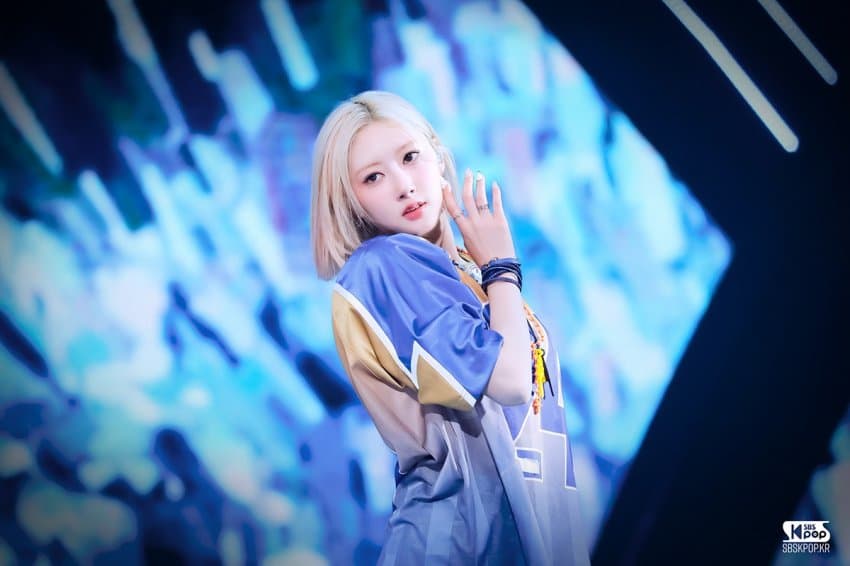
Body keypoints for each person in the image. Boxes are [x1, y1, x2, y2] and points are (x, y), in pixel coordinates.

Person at [310, 90, 590, 565]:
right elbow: (509, 382)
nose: (404, 185)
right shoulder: (385, 265)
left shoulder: (462, 266)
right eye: (373, 177)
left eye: (410, 157)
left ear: (437, 155)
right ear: (351, 202)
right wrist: (502, 268)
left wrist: (493, 270)